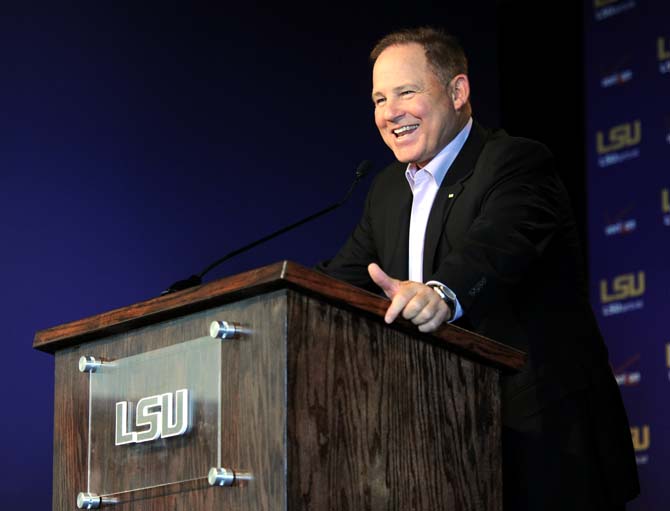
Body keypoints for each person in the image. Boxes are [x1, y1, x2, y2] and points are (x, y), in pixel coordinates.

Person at [317, 27, 639, 511]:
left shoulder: (515, 161)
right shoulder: (386, 190)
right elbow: (341, 278)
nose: (389, 113)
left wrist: (441, 293)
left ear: (457, 91)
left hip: (544, 441)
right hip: (446, 447)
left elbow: (498, 245)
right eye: (379, 98)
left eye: (406, 92)